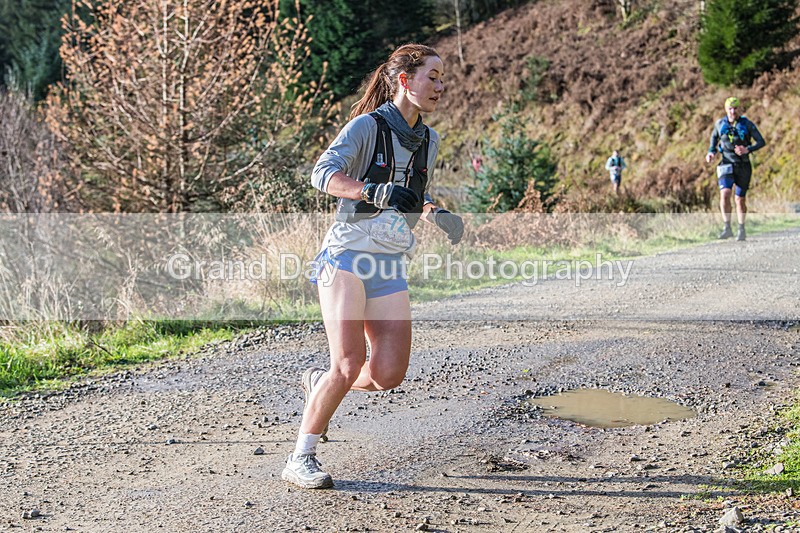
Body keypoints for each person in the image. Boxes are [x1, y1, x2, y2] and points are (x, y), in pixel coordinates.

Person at [280, 43, 464, 489]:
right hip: (346, 254)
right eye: (432, 77)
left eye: (443, 78)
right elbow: (322, 174)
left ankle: (318, 384)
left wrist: (435, 212)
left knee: (387, 374)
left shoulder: (430, 140)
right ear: (405, 80)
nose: (441, 86)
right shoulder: (367, 127)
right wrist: (371, 191)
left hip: (388, 260)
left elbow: (411, 192)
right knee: (347, 363)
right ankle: (300, 457)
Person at [705, 96, 766, 241]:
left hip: (743, 165)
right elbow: (714, 139)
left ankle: (741, 228)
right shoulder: (720, 124)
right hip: (726, 163)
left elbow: (761, 141)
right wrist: (711, 152)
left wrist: (747, 149)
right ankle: (727, 228)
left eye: (735, 108)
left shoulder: (747, 124)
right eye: (730, 108)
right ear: (726, 109)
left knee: (739, 199)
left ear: (740, 109)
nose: (733, 111)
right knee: (725, 193)